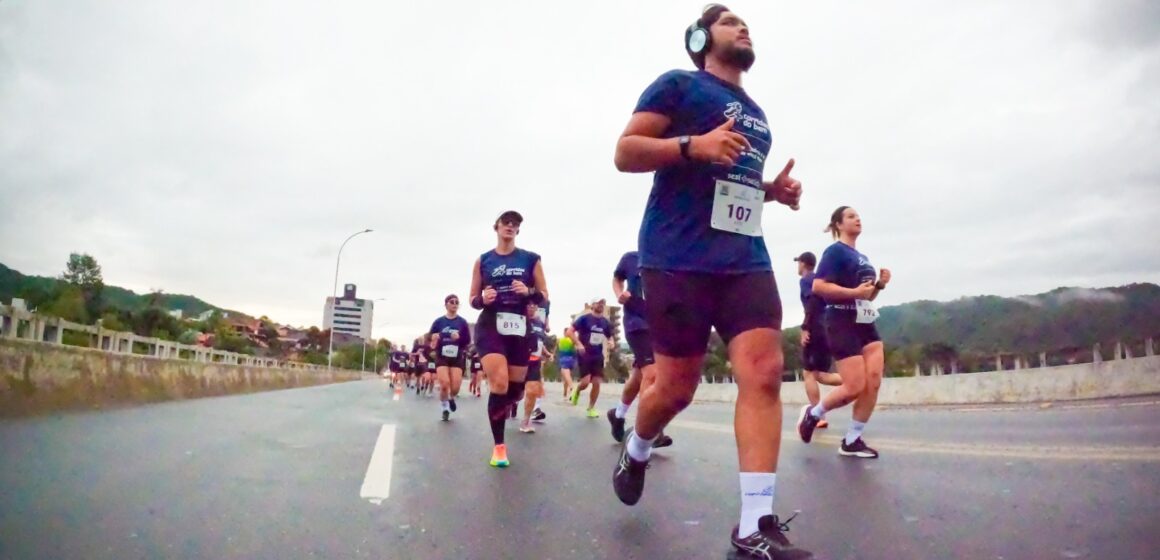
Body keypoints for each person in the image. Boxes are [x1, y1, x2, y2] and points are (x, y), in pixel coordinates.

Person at [610, 5, 810, 558]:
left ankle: (754, 524)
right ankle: (639, 444)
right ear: (700, 38)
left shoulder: (757, 113)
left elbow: (728, 179)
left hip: (743, 257)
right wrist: (691, 145)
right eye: (729, 22)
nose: (743, 27)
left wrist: (770, 191)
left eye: (745, 23)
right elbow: (625, 152)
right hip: (676, 255)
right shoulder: (677, 85)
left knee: (765, 372)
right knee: (675, 387)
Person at [797, 206, 891, 460]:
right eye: (850, 216)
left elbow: (867, 295)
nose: (857, 218)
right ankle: (813, 414)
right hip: (840, 319)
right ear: (838, 225)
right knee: (854, 386)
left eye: (858, 215)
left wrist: (879, 285)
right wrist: (854, 294)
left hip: (865, 320)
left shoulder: (861, 256)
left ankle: (852, 440)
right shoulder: (834, 251)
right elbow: (819, 286)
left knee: (873, 380)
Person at [470, 210, 549, 467]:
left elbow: (544, 296)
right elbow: (473, 300)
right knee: (500, 383)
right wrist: (483, 299)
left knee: (515, 389)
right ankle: (499, 448)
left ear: (518, 230)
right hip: (491, 324)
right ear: (497, 227)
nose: (511, 226)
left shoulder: (531, 259)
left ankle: (503, 405)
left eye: (515, 224)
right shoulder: (483, 261)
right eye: (506, 222)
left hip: (518, 326)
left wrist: (528, 291)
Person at [606, 250, 672, 448]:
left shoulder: (670, 260)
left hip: (659, 327)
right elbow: (617, 279)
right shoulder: (631, 258)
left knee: (638, 377)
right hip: (637, 324)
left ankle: (617, 415)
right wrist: (619, 294)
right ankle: (649, 432)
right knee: (651, 374)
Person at [795, 251, 842, 429]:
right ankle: (856, 382)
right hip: (828, 326)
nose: (797, 266)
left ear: (804, 264)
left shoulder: (806, 280)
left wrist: (805, 327)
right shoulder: (821, 281)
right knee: (820, 375)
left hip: (815, 327)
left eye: (798, 262)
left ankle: (817, 415)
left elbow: (812, 303)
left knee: (808, 373)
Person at [431, 294, 472, 421]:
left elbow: (468, 341)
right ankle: (445, 408)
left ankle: (451, 397)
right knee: (444, 384)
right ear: (446, 304)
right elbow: (430, 338)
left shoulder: (462, 322)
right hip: (442, 355)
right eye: (452, 302)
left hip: (457, 356)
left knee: (455, 387)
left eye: (456, 302)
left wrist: (459, 338)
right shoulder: (439, 322)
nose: (454, 304)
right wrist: (434, 338)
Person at [570, 298, 613, 418]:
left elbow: (609, 336)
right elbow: (570, 332)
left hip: (598, 355)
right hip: (585, 354)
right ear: (592, 305)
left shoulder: (605, 322)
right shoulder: (584, 319)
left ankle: (591, 408)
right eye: (598, 303)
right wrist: (578, 344)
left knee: (597, 382)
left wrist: (611, 342)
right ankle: (577, 390)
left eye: (603, 303)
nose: (601, 305)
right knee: (585, 382)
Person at [519, 301, 550, 433]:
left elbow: (540, 341)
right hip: (518, 361)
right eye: (529, 304)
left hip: (534, 361)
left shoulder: (540, 323)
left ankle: (526, 421)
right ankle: (510, 405)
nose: (532, 307)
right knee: (515, 393)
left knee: (532, 391)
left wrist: (546, 352)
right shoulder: (518, 320)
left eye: (534, 305)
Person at [557, 327, 578, 401]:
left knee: (566, 376)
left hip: (564, 360)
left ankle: (572, 388)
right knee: (566, 377)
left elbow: (557, 348)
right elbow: (576, 350)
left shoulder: (561, 340)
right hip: (572, 360)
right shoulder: (573, 341)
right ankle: (565, 394)